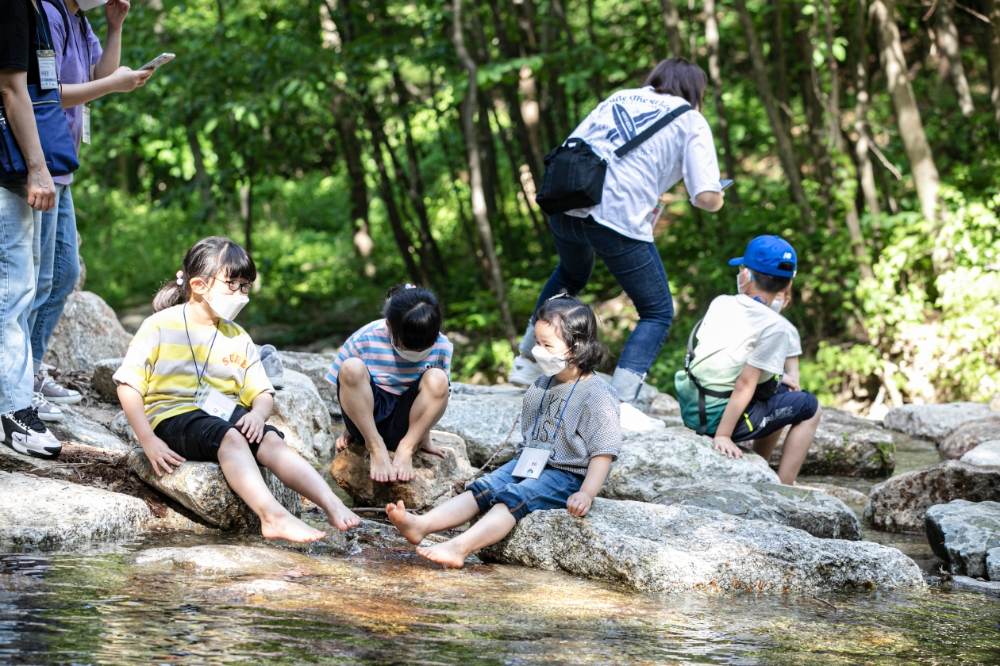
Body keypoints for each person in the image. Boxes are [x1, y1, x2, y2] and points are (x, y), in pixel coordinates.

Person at [508, 57, 726, 433]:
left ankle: (527, 362)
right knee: (656, 311)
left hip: (566, 203)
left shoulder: (619, 97)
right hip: (617, 217)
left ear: (654, 78)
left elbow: (575, 144)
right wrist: (719, 196)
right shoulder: (690, 118)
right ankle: (618, 402)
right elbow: (705, 195)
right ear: (695, 91)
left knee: (571, 272)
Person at [113, 237, 359, 541]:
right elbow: (129, 386)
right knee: (229, 436)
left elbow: (261, 392)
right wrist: (148, 440)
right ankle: (273, 516)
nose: (241, 294)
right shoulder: (160, 326)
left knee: (271, 442)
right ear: (199, 285)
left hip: (222, 413)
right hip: (173, 417)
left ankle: (331, 503)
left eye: (246, 287)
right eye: (233, 285)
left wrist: (258, 415)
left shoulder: (237, 336)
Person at [386, 295, 622, 568]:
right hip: (532, 462)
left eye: (548, 345)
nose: (538, 351)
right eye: (537, 342)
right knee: (484, 487)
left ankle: (460, 547)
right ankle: (422, 524)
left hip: (567, 474)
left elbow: (603, 451)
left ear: (576, 347)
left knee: (515, 497)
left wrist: (587, 493)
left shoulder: (597, 394)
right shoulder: (542, 384)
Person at [30, 0, 152, 422]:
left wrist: (114, 27)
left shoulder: (79, 21)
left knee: (63, 272)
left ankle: (30, 369)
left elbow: (99, 77)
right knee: (38, 276)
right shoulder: (46, 13)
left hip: (62, 167)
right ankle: (19, 380)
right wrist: (113, 85)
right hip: (40, 164)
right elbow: (49, 92)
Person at [674, 236, 821, 485]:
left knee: (782, 387)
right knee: (810, 406)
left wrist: (778, 377)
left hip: (693, 408)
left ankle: (759, 465)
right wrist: (723, 436)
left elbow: (724, 359)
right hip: (714, 421)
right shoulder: (776, 326)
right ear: (786, 287)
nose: (740, 273)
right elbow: (744, 384)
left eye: (743, 269)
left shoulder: (720, 302)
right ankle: (785, 486)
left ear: (748, 276)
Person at [0, 0, 63, 457]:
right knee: (14, 289)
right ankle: (14, 410)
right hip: (7, 171)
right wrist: (38, 170)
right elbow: (12, 88)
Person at [327, 284, 452, 484]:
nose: (416, 351)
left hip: (408, 424)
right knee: (351, 367)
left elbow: (438, 395)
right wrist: (350, 427)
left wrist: (423, 436)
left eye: (424, 347)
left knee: (439, 378)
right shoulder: (365, 338)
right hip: (369, 422)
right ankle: (376, 447)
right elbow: (347, 387)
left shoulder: (442, 345)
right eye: (408, 346)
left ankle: (405, 449)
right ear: (388, 326)